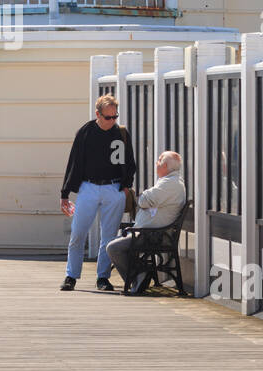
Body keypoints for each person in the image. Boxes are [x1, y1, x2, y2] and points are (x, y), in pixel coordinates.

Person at [59, 94, 137, 292]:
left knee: (109, 236)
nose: (112, 121)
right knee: (78, 233)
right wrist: (65, 194)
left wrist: (125, 187)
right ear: (98, 114)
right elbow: (73, 164)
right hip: (89, 187)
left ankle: (103, 278)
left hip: (114, 188)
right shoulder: (85, 132)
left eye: (114, 116)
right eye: (108, 117)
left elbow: (129, 163)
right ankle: (71, 276)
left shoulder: (121, 133)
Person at [105, 150, 187, 293]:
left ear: (166, 166)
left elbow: (143, 201)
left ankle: (138, 278)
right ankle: (139, 276)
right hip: (149, 233)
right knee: (115, 245)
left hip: (152, 236)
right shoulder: (169, 182)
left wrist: (145, 196)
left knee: (113, 248)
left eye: (159, 161)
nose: (156, 164)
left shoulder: (169, 184)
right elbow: (148, 200)